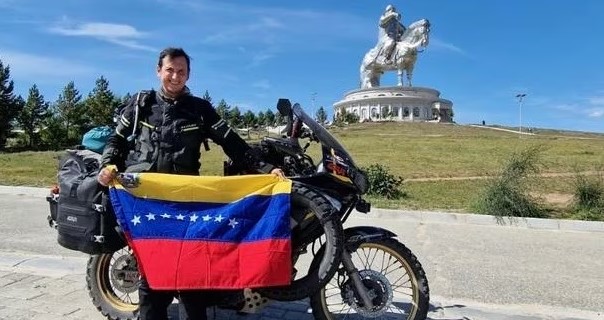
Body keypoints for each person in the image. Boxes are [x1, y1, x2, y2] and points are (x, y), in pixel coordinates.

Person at [98, 47, 285, 320]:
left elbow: (233, 143)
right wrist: (107, 165)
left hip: (184, 203)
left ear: (189, 75)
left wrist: (266, 168)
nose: (175, 76)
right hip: (144, 201)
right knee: (151, 279)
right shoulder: (141, 104)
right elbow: (116, 140)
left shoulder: (200, 109)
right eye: (170, 70)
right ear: (158, 71)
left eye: (181, 71)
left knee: (191, 277)